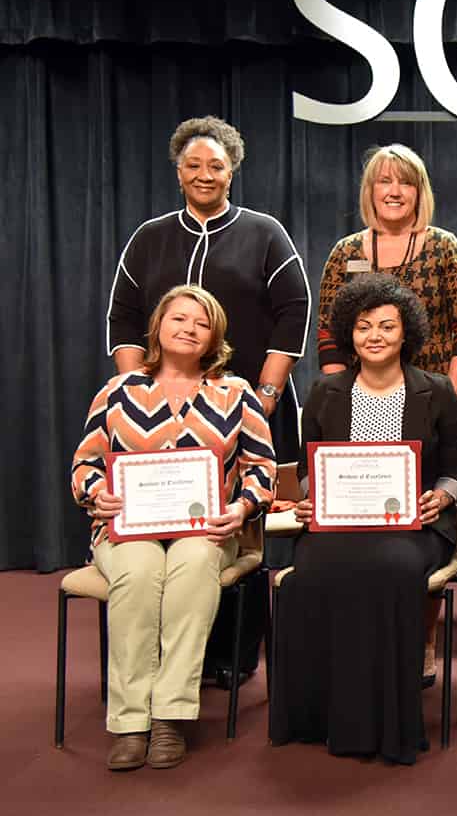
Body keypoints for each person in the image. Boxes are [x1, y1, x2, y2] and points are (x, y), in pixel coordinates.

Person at [72, 285, 276, 771]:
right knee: (140, 573)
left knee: (193, 563)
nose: (189, 329)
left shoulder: (235, 393)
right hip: (126, 531)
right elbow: (85, 464)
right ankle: (128, 721)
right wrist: (95, 493)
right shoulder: (117, 391)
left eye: (201, 323)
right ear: (158, 328)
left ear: (214, 339)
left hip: (206, 531)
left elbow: (262, 467)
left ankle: (170, 714)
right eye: (179, 319)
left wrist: (243, 508)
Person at [269, 274, 457, 763]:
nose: (374, 336)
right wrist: (309, 500)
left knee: (393, 568)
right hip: (338, 525)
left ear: (406, 334)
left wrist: (440, 498)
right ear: (349, 334)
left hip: (414, 528)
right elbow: (309, 473)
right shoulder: (324, 393)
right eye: (363, 327)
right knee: (310, 573)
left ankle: (387, 720)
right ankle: (318, 717)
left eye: (386, 326)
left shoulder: (437, 391)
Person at [316, 144, 457, 685]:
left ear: (419, 191)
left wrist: (442, 397)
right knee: (362, 523)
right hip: (362, 403)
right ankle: (361, 637)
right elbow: (327, 334)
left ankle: (422, 640)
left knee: (421, 521)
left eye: (404, 182)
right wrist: (342, 397)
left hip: (435, 403)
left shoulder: (443, 247)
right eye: (383, 181)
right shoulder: (345, 253)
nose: (393, 190)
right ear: (369, 192)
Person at [107, 116, 310, 464]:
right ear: (179, 172)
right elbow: (123, 318)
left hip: (252, 406)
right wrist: (136, 395)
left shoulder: (265, 233)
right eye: (193, 165)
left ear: (230, 174)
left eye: (217, 166)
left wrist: (267, 393)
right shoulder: (148, 237)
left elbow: (295, 310)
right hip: (158, 413)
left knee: (257, 502)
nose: (205, 175)